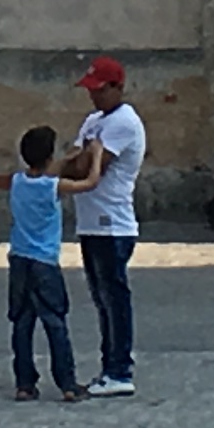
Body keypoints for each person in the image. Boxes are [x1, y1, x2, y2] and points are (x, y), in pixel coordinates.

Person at [67, 57, 147, 397]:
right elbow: (73, 162)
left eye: (100, 90)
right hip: (91, 224)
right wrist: (83, 156)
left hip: (112, 224)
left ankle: (119, 369)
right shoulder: (92, 121)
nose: (94, 97)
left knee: (114, 298)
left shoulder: (125, 123)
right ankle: (108, 366)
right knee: (101, 299)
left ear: (117, 88)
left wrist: (85, 156)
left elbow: (86, 167)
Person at [4, 122, 81, 402]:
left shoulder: (16, 182)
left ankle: (24, 383)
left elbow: (44, 172)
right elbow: (89, 183)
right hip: (46, 263)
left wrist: (64, 160)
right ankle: (67, 382)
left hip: (19, 259)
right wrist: (94, 158)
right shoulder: (54, 187)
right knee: (55, 322)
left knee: (22, 323)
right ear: (49, 157)